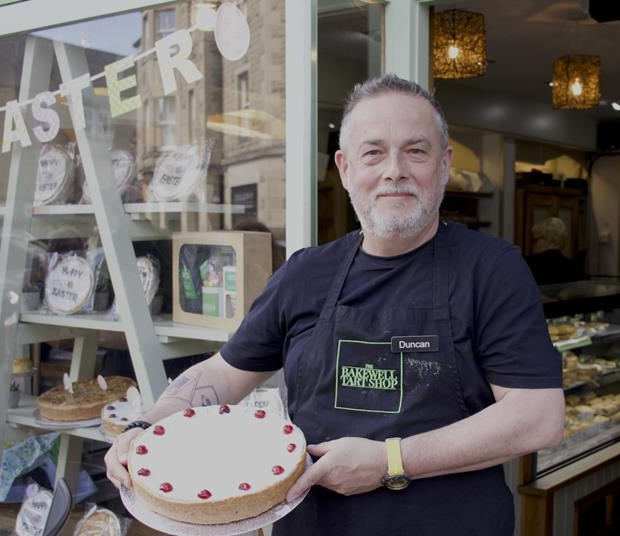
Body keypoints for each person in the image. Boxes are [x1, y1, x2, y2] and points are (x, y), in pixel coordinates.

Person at [104, 74, 564, 534]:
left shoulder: (492, 270)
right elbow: (224, 372)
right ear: (344, 169)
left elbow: (537, 416)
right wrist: (146, 426)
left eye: (416, 151)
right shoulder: (305, 273)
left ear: (443, 165)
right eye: (373, 153)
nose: (394, 170)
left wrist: (390, 461)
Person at [524, 217, 583, 285]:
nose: (534, 244)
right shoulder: (573, 267)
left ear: (545, 239)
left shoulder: (528, 264)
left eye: (535, 240)